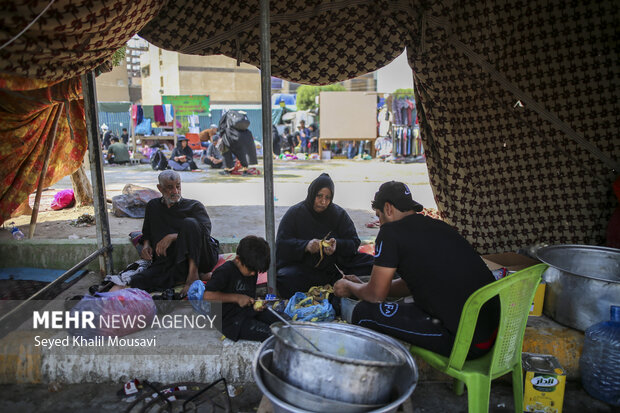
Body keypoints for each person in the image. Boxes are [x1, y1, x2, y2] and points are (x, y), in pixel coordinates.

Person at [334, 181, 500, 359]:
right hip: (489, 333)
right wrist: (365, 285)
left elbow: (375, 296)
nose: (380, 222)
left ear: (388, 208)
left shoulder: (390, 232)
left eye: (379, 215)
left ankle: (381, 375)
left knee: (364, 312)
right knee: (400, 303)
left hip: (466, 341)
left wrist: (351, 287)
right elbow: (410, 283)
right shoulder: (438, 226)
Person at [115, 170, 219, 295]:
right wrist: (147, 246)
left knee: (190, 223)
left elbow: (204, 233)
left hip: (201, 256)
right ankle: (190, 275)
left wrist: (173, 237)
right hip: (172, 260)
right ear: (160, 188)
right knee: (139, 281)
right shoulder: (153, 206)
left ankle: (193, 275)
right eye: (170, 187)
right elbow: (147, 231)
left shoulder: (194, 206)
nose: (175, 191)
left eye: (178, 186)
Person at [276, 173, 374, 298]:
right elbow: (281, 245)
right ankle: (337, 286)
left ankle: (338, 282)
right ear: (312, 194)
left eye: (328, 197)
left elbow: (354, 242)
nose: (323, 202)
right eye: (319, 196)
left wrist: (337, 245)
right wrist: (306, 246)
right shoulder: (295, 213)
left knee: (374, 265)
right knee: (285, 277)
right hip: (305, 267)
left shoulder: (338, 214)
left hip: (335, 266)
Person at [203, 235, 279, 342]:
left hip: (246, 312)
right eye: (251, 270)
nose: (253, 273)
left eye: (256, 270)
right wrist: (237, 298)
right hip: (229, 321)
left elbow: (247, 296)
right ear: (238, 259)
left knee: (280, 323)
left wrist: (255, 304)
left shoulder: (252, 271)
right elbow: (207, 296)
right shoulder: (224, 271)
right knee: (271, 334)